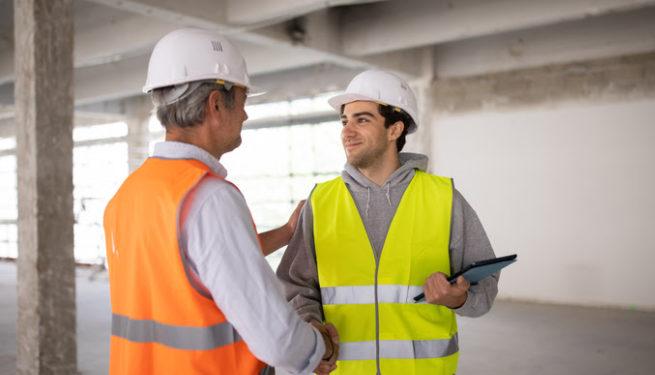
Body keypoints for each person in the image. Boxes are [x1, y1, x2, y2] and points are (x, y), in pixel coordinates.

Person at [103, 28, 338, 375]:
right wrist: (321, 345)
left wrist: (288, 231)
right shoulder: (208, 198)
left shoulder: (129, 194)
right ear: (216, 104)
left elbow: (193, 265)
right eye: (243, 102)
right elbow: (278, 341)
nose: (245, 115)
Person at [277, 70, 499, 374]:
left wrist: (459, 299)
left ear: (395, 129)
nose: (347, 131)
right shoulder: (321, 201)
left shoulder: (443, 198)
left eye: (362, 120)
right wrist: (310, 323)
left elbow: (484, 284)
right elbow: (296, 287)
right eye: (345, 121)